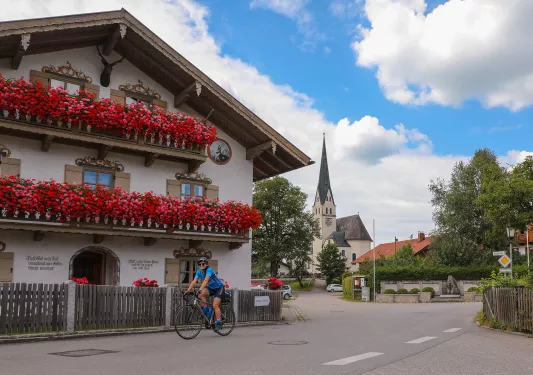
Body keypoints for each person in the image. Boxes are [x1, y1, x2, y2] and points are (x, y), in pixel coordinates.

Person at [186, 257, 226, 327]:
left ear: (206, 264)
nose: (201, 265)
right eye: (200, 264)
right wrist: (188, 291)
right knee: (200, 294)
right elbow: (194, 281)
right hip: (211, 288)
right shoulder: (199, 271)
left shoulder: (209, 270)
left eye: (203, 263)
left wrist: (200, 289)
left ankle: (219, 322)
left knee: (215, 305)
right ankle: (206, 308)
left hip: (219, 288)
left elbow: (206, 280)